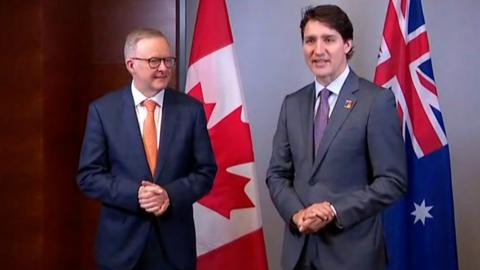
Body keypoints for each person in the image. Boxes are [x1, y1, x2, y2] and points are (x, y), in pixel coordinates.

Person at [266, 5, 407, 270]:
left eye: (328, 39)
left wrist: (333, 211)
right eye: (310, 40)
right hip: (299, 251)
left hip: (353, 255)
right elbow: (276, 174)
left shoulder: (376, 101)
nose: (318, 50)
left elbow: (392, 181)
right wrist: (297, 214)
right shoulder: (292, 104)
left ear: (347, 45)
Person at [77, 28, 217, 270]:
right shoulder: (103, 111)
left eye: (168, 60)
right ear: (131, 64)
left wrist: (169, 194)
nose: (163, 67)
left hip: (174, 248)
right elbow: (89, 176)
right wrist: (136, 194)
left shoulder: (190, 110)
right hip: (121, 249)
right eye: (154, 61)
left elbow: (205, 172)